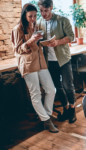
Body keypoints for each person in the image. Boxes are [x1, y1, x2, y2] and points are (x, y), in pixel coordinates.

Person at [11, 3, 58, 133]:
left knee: (51, 89)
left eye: (35, 16)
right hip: (28, 64)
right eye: (30, 16)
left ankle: (46, 116)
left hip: (40, 61)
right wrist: (31, 40)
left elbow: (36, 46)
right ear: (24, 15)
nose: (33, 18)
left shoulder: (35, 26)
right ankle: (46, 121)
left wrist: (43, 42)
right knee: (35, 94)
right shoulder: (17, 29)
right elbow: (18, 50)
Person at [36, 0, 76, 123]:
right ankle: (66, 108)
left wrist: (57, 42)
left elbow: (71, 36)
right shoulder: (39, 22)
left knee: (67, 86)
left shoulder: (62, 20)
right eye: (41, 11)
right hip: (50, 61)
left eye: (46, 11)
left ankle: (72, 110)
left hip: (63, 59)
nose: (43, 14)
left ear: (51, 8)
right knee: (58, 87)